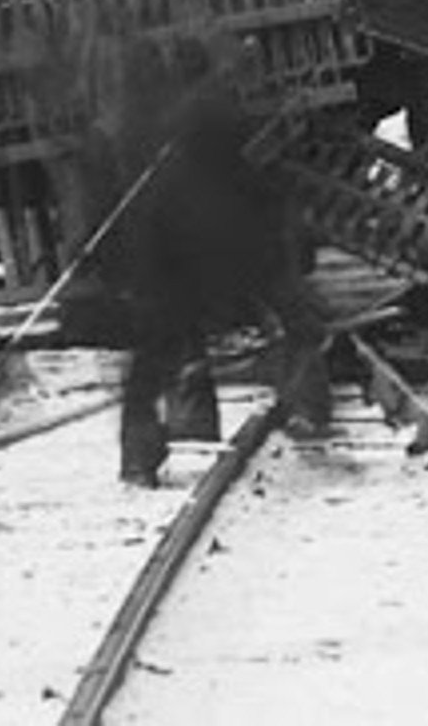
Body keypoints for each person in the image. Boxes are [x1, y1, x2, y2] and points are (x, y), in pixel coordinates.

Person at [96, 32, 330, 487]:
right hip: (234, 241)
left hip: (168, 251)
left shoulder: (135, 121)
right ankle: (308, 410)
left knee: (155, 354)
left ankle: (142, 457)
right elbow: (258, 177)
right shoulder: (220, 111)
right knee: (299, 325)